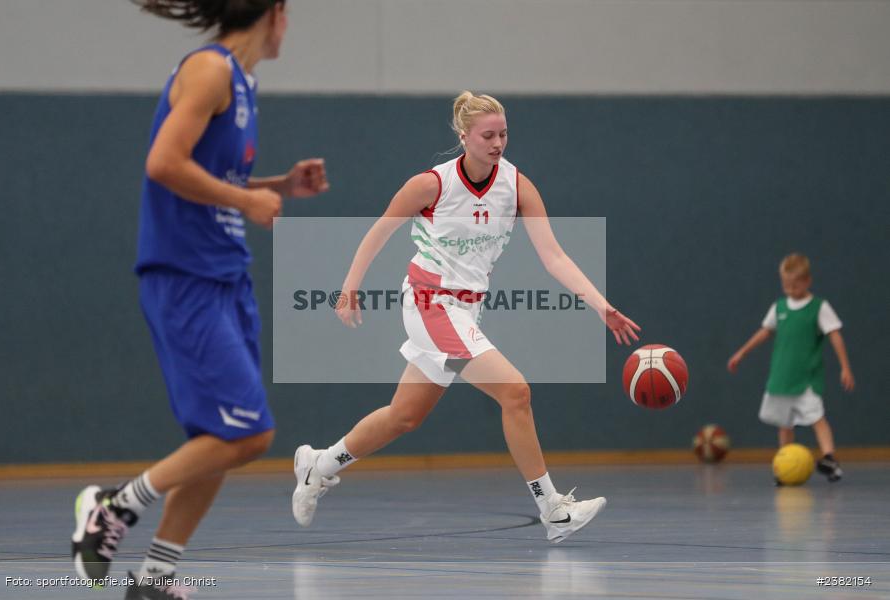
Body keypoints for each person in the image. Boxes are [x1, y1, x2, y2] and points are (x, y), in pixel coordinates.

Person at [291, 91, 640, 544]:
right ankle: (553, 509)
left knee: (404, 416)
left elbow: (554, 255)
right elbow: (379, 231)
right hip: (429, 304)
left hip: (465, 311)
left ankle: (318, 466)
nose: (498, 143)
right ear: (463, 136)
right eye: (488, 135)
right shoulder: (431, 185)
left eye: (504, 134)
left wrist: (600, 304)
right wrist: (350, 287)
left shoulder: (517, 186)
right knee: (515, 391)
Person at [70, 2, 329, 598]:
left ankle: (155, 579)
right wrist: (246, 203)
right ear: (273, 13)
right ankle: (114, 506)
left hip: (225, 275)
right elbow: (163, 163)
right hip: (185, 273)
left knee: (218, 439)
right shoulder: (209, 70)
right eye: (289, 14)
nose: (289, 27)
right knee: (249, 434)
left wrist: (277, 186)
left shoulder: (242, 83)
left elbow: (215, 178)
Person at [728, 253, 854, 482]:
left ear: (807, 281)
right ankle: (784, 464)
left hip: (806, 379)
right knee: (784, 423)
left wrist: (845, 367)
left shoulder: (819, 307)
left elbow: (835, 335)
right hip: (781, 377)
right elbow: (765, 332)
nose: (790, 289)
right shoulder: (779, 307)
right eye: (786, 285)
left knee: (817, 417)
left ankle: (830, 458)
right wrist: (742, 352)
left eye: (795, 285)